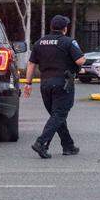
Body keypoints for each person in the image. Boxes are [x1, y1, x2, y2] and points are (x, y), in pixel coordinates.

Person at [23, 15, 86, 159]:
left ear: (51, 27)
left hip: (45, 84)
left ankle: (68, 145)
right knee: (59, 114)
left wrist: (28, 83)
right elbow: (80, 60)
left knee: (56, 115)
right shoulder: (69, 42)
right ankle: (41, 143)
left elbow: (32, 64)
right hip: (62, 84)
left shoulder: (39, 43)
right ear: (65, 28)